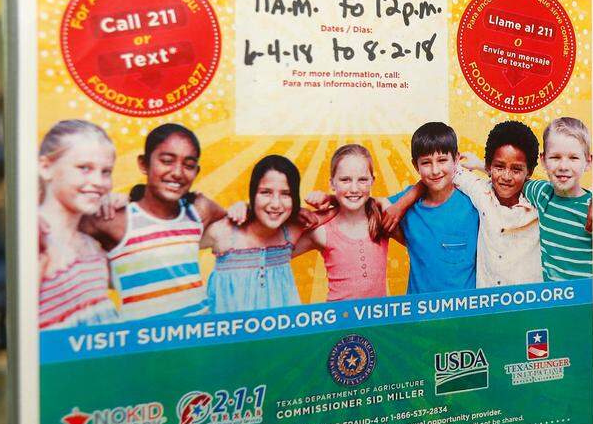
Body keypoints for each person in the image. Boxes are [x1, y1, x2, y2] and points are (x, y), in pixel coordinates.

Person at [84, 123, 225, 319]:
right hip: (144, 341)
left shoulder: (198, 210)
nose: (177, 172)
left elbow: (234, 224)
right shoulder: (115, 219)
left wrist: (241, 209)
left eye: (189, 165)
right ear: (144, 164)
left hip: (197, 335)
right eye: (167, 161)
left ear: (197, 171)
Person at [387, 121, 540, 287]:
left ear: (529, 171)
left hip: (529, 304)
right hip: (486, 306)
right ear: (490, 166)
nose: (507, 176)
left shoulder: (541, 202)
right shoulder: (480, 193)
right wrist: (402, 203)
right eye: (499, 167)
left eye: (516, 170)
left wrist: (483, 167)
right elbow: (441, 175)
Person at [203, 155, 321, 313]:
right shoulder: (225, 233)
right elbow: (175, 238)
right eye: (266, 192)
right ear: (253, 194)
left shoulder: (291, 232)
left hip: (280, 333)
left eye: (286, 194)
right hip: (230, 334)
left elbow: (343, 213)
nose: (275, 204)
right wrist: (229, 210)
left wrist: (327, 198)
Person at [37, 120, 120, 329]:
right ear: (46, 167)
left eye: (106, 172)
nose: (99, 182)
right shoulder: (39, 240)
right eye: (84, 168)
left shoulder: (90, 243)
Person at [387, 122, 479, 293]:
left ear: (456, 159)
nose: (435, 170)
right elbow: (369, 212)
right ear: (416, 166)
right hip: (419, 315)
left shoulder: (473, 202)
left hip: (464, 315)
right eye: (426, 163)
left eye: (442, 160)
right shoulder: (407, 203)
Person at [301, 144, 394, 300]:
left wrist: (382, 201)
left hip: (378, 323)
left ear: (372, 181)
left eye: (362, 180)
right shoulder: (322, 231)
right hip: (339, 323)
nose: (354, 188)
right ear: (332, 183)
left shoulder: (381, 221)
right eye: (345, 180)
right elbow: (278, 250)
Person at [525, 117, 593, 281]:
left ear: (588, 162)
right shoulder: (542, 193)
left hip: (585, 301)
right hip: (553, 300)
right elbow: (513, 181)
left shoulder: (592, 208)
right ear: (543, 160)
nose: (563, 166)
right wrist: (481, 166)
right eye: (555, 157)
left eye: (574, 158)